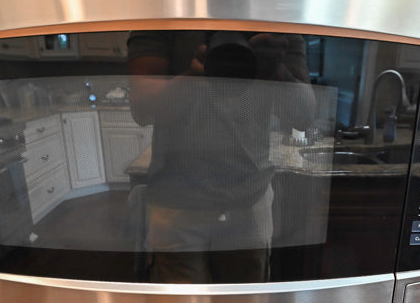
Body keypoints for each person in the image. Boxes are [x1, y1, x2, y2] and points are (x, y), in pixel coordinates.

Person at [127, 30, 315, 283]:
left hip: (225, 202)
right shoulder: (273, 14)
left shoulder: (275, 21)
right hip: (197, 203)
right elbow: (142, 109)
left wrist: (275, 72)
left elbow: (302, 115)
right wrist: (194, 78)